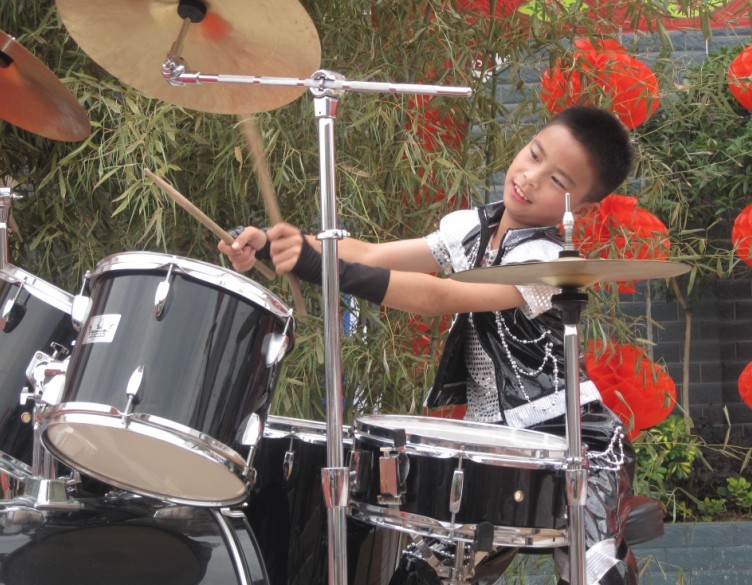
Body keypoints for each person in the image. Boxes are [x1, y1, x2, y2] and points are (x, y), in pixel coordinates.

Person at [219, 105, 638, 585]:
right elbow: (370, 253)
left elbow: (439, 296)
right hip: (492, 451)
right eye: (534, 154)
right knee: (424, 574)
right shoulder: (472, 228)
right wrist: (280, 244)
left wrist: (323, 269)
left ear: (581, 210)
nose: (530, 176)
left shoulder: (549, 262)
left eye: (557, 180)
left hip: (578, 444)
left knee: (596, 574)